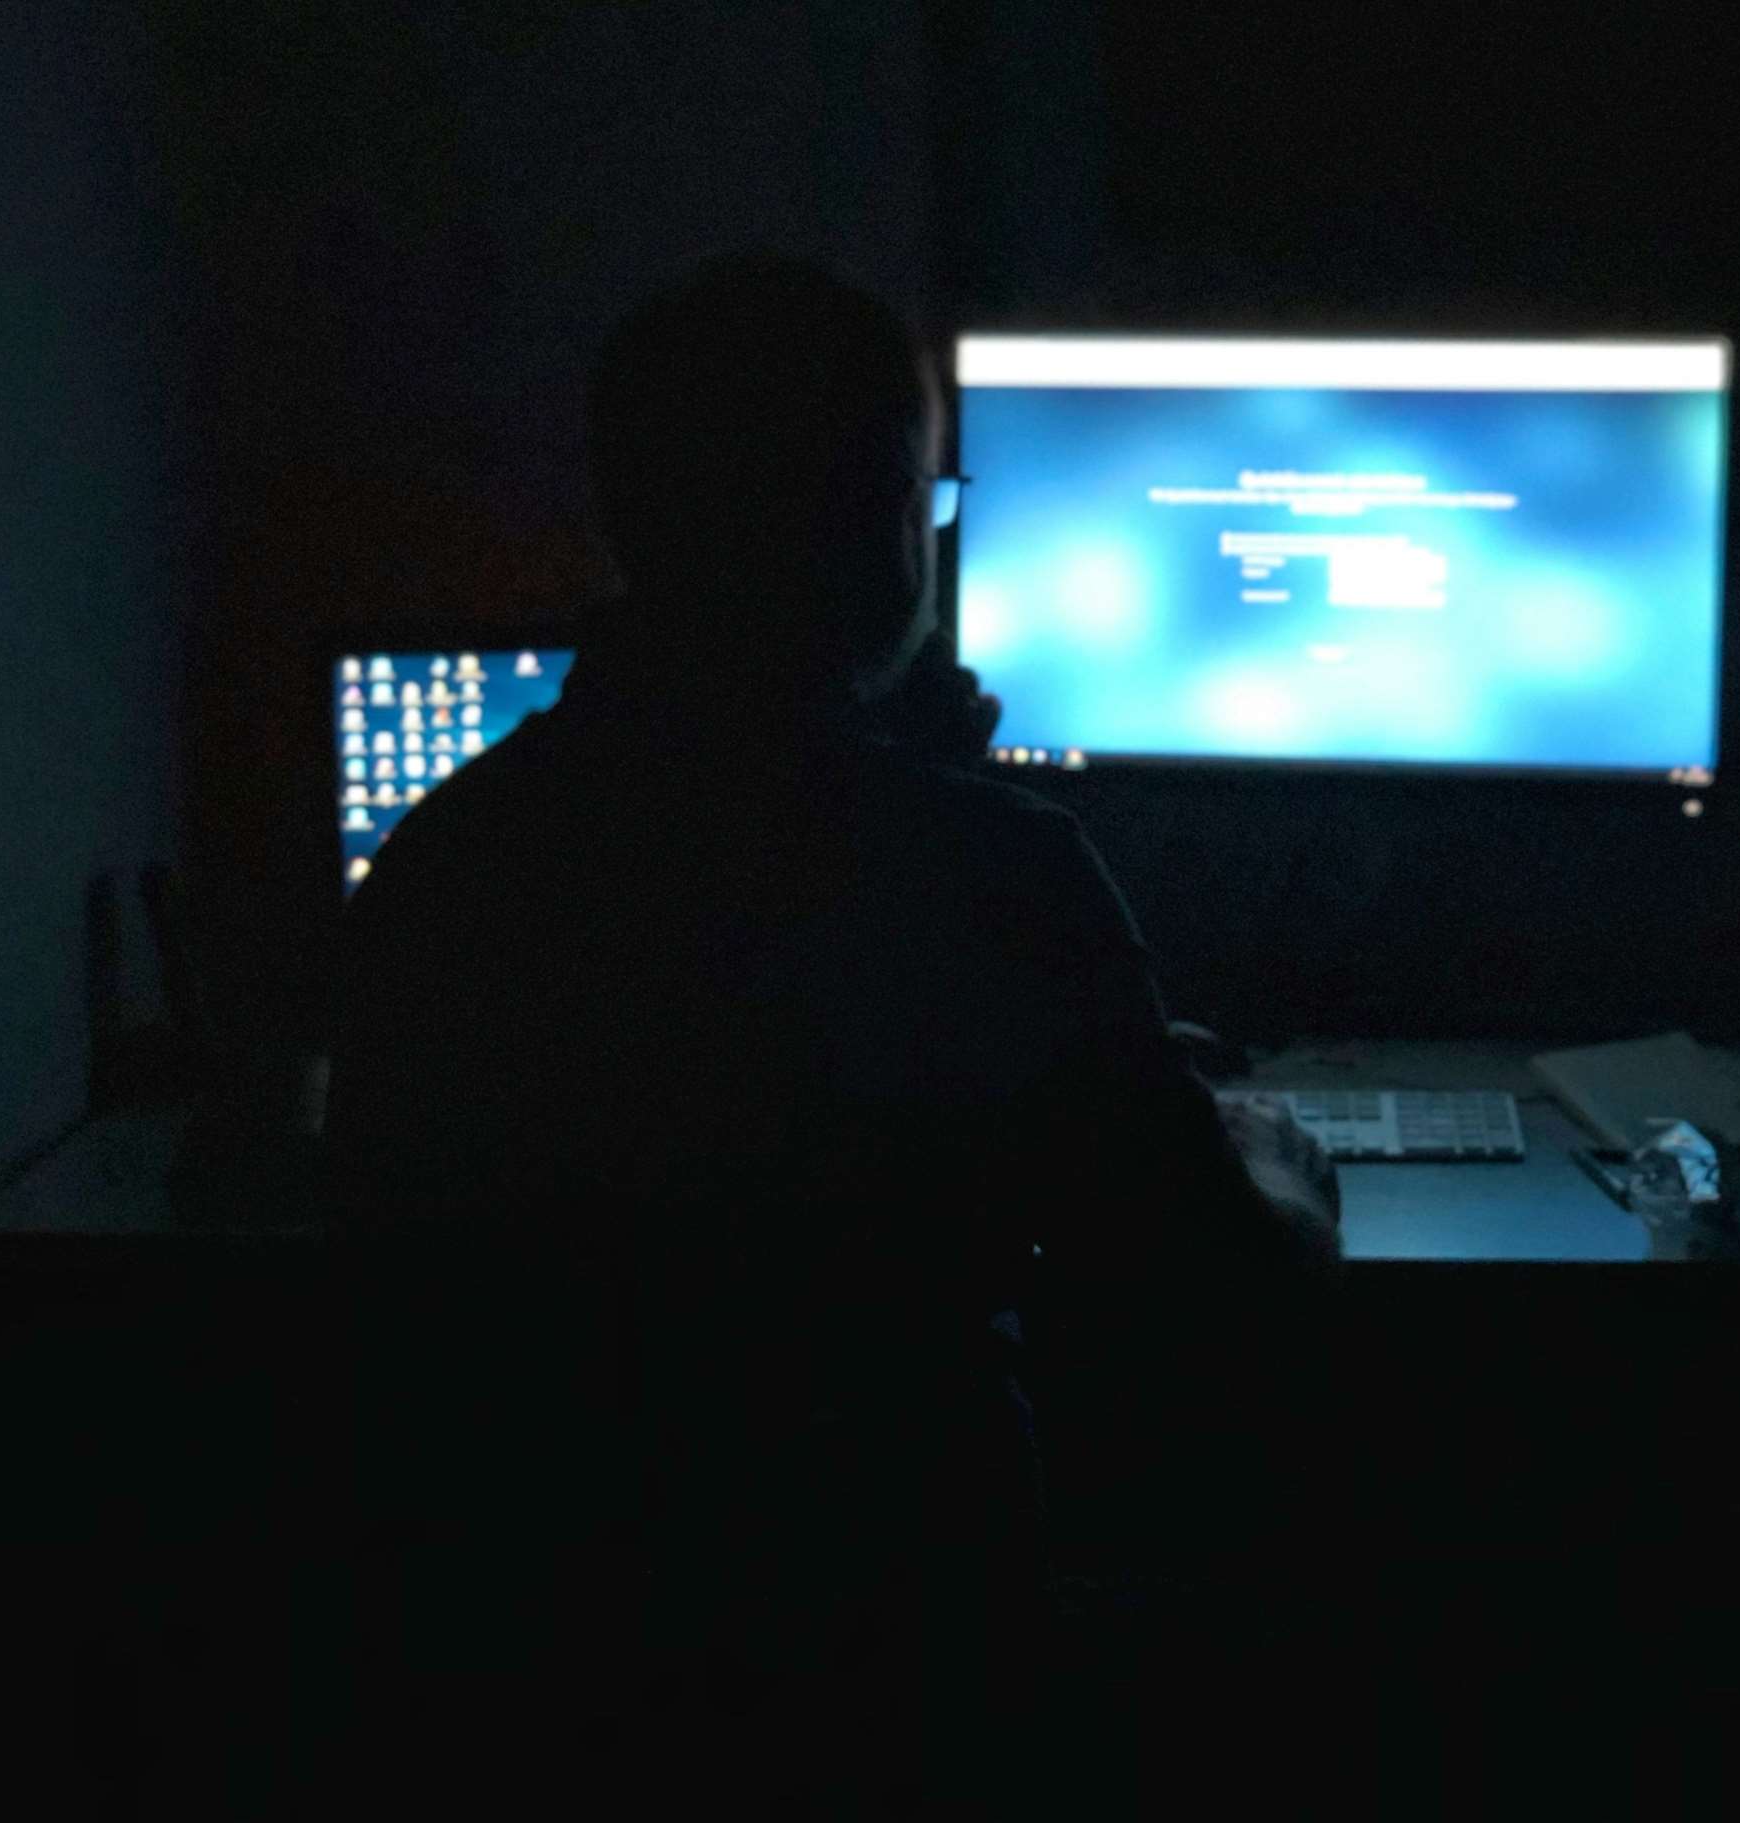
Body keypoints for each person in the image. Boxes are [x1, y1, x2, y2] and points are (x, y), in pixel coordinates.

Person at [321, 252, 1339, 1812]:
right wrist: (1272, 1160)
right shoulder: (985, 874)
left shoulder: (447, 861)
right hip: (900, 1664)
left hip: (532, 1679)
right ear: (885, 532)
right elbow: (1212, 1288)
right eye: (927, 501)